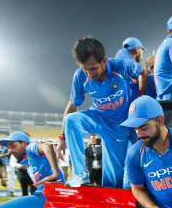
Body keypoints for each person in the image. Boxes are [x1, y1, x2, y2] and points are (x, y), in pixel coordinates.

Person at [59, 37, 148, 187]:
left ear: (104, 60)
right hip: (99, 117)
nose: (90, 74)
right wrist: (62, 138)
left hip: (119, 125)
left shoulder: (120, 66)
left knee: (114, 181)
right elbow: (73, 104)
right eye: (85, 69)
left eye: (93, 68)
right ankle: (80, 175)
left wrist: (141, 95)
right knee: (71, 120)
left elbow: (143, 71)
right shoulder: (80, 76)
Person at [114, 37, 147, 102]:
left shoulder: (120, 55)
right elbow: (143, 72)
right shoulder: (131, 63)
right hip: (128, 98)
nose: (142, 53)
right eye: (141, 50)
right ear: (136, 50)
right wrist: (142, 94)